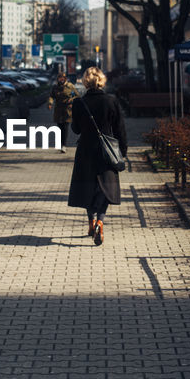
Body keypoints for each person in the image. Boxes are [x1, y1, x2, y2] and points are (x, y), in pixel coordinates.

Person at [68, 66, 127, 246]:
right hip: (106, 152)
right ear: (101, 80)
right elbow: (120, 130)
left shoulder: (79, 103)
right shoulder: (111, 101)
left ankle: (91, 222)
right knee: (105, 189)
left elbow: (76, 129)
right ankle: (101, 220)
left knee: (87, 188)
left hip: (86, 150)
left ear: (85, 82)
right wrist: (122, 152)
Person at [48, 71, 77, 153]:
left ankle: (63, 145)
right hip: (58, 110)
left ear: (65, 79)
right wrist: (50, 103)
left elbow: (75, 95)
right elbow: (51, 96)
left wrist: (71, 100)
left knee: (65, 127)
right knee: (59, 127)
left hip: (67, 110)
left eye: (63, 78)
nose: (61, 80)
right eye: (60, 78)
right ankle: (61, 144)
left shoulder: (70, 86)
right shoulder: (55, 87)